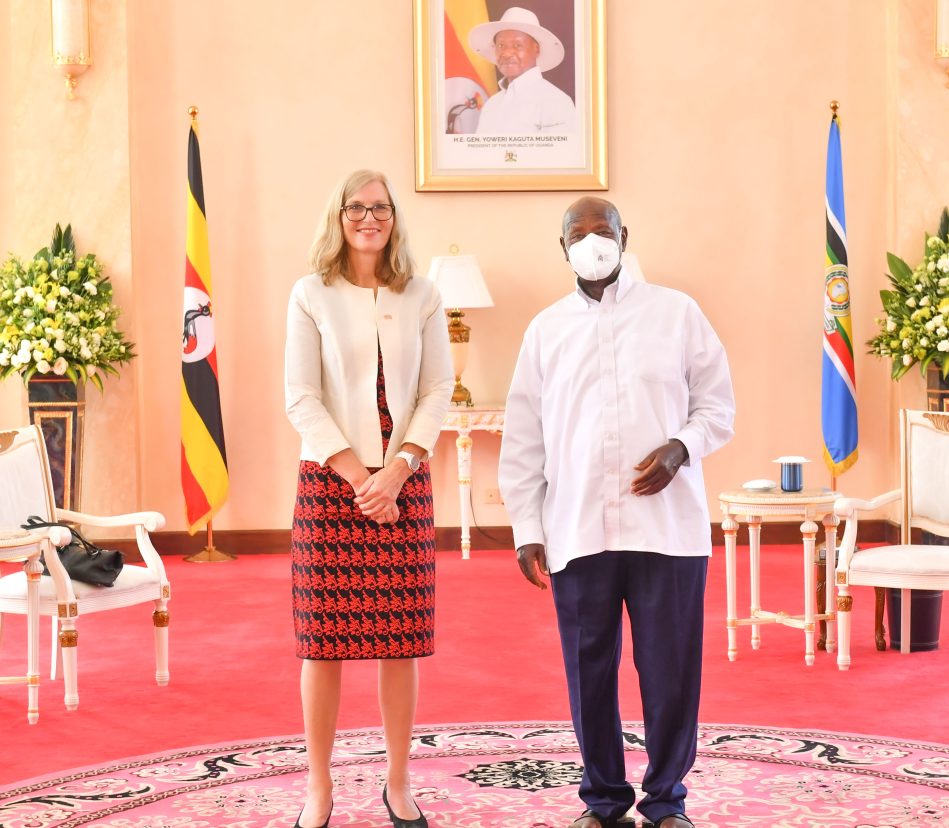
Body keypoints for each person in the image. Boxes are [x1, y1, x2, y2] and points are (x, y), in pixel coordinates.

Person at [498, 197, 735, 828]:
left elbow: (718, 407)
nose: (592, 242)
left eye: (603, 231)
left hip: (669, 532)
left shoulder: (677, 314)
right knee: (589, 672)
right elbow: (524, 435)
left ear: (625, 236)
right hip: (577, 528)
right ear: (563, 249)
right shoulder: (545, 331)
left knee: (671, 672)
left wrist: (682, 448)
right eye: (578, 235)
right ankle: (602, 802)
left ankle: (667, 803)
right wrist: (528, 530)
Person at [285, 169, 454, 828]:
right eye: (357, 207)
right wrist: (362, 478)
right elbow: (300, 395)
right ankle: (319, 786)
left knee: (399, 640)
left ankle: (398, 782)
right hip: (332, 485)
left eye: (380, 207)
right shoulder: (310, 294)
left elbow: (439, 389)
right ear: (339, 216)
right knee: (320, 642)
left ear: (393, 218)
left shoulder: (423, 294)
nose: (368, 217)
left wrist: (400, 468)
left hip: (403, 485)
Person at [469, 6, 576, 134]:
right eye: (501, 45)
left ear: (536, 49)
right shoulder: (491, 104)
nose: (507, 53)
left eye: (517, 45)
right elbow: (480, 154)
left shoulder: (556, 102)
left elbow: (560, 154)